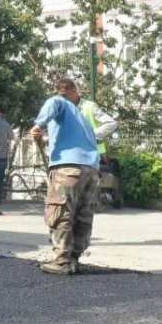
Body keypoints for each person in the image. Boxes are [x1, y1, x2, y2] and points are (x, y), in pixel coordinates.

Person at [30, 78, 101, 275]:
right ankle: (74, 258)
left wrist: (38, 125)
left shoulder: (58, 101)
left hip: (68, 168)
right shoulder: (82, 119)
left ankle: (62, 260)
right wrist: (43, 138)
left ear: (63, 91)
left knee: (61, 212)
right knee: (82, 214)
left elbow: (53, 104)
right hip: (91, 170)